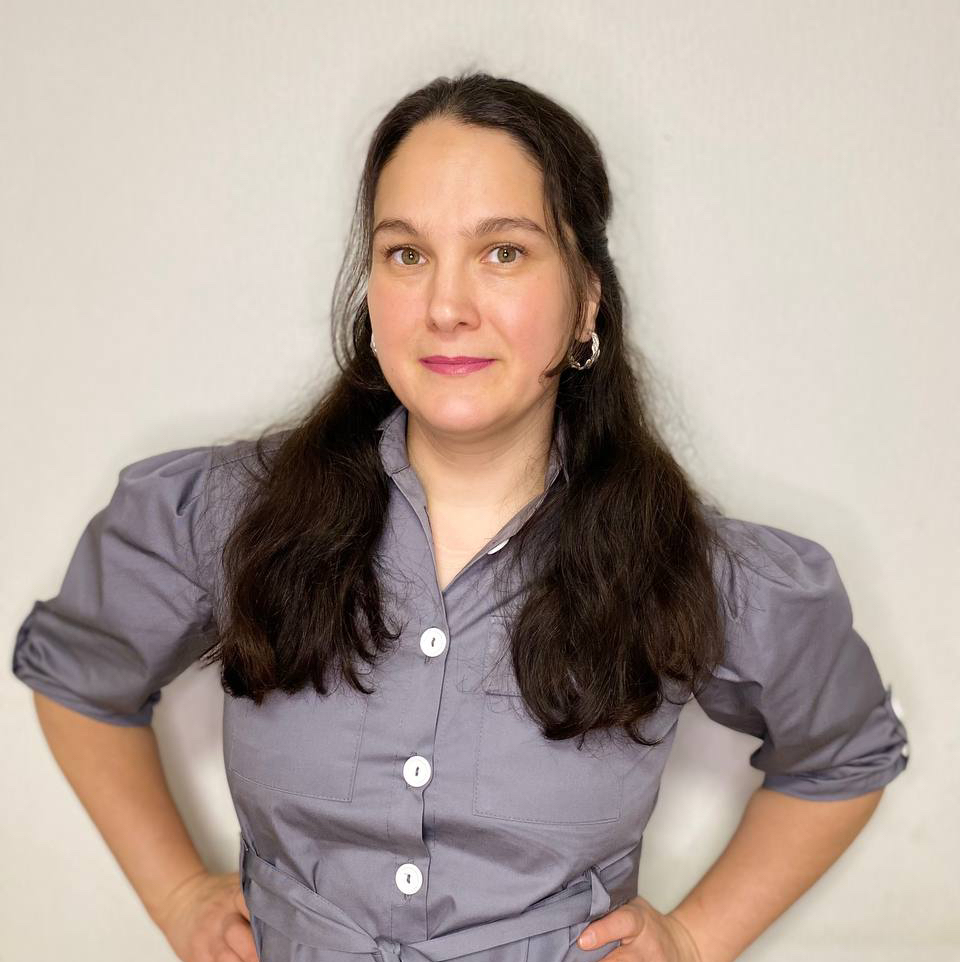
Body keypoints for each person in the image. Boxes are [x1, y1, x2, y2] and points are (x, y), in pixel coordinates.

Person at [11, 71, 909, 962]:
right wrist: (176, 894)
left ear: (586, 301)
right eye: (407, 254)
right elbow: (80, 673)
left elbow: (843, 755)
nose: (446, 308)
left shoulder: (688, 564)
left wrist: (697, 940)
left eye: (503, 252)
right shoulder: (227, 516)